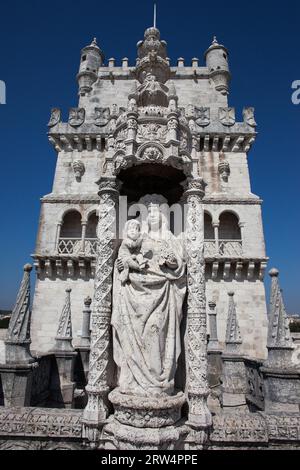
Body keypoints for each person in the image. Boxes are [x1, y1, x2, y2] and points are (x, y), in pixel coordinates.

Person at [111, 199, 186, 397]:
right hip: (135, 294)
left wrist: (171, 263)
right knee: (133, 335)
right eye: (149, 212)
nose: (152, 215)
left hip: (162, 293)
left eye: (156, 212)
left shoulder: (169, 238)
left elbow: (179, 265)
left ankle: (158, 380)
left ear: (163, 217)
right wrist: (122, 265)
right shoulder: (137, 237)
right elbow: (123, 255)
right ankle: (133, 380)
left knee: (156, 332)